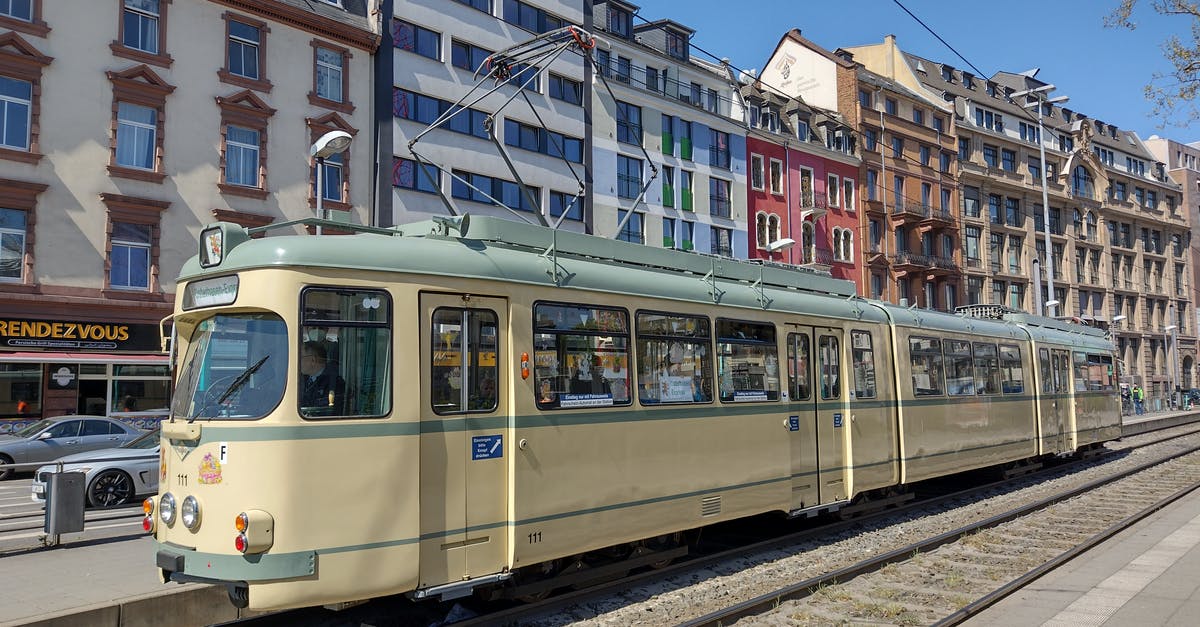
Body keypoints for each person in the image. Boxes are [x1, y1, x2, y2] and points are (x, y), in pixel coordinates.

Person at [300, 341, 346, 414]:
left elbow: (328, 413)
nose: (298, 361)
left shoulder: (335, 384)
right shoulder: (302, 380)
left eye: (300, 357)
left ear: (313, 360)